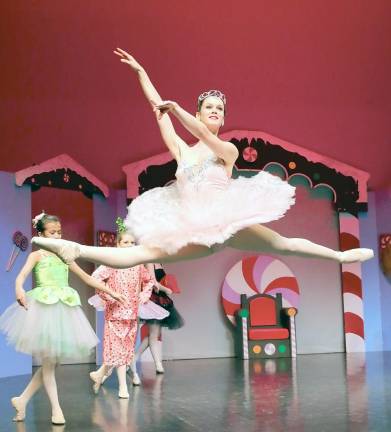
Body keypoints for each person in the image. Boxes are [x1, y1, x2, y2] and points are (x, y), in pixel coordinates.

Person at [31, 49, 374, 271]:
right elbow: (159, 114)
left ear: (222, 119)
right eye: (209, 107)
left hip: (227, 221)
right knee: (141, 254)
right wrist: (141, 74)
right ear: (199, 112)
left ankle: (340, 256)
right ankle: (74, 249)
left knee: (283, 244)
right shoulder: (182, 151)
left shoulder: (227, 150)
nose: (214, 112)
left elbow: (203, 133)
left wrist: (178, 109)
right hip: (194, 228)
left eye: (219, 109)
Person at [0, 212, 125, 425]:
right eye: (52, 232)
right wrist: (18, 288)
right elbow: (21, 276)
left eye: (59, 232)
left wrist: (111, 291)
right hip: (45, 309)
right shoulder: (36, 255)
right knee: (50, 363)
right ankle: (56, 410)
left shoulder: (64, 256)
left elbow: (86, 278)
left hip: (63, 309)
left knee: (51, 363)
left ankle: (21, 400)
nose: (57, 236)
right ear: (40, 234)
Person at [88, 220, 167, 398]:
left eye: (132, 243)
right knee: (116, 348)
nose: (130, 245)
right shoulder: (111, 263)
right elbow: (95, 279)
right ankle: (123, 386)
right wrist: (110, 296)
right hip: (115, 312)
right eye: (125, 242)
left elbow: (149, 282)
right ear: (117, 244)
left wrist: (143, 296)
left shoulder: (138, 265)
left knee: (126, 349)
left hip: (132, 313)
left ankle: (101, 373)